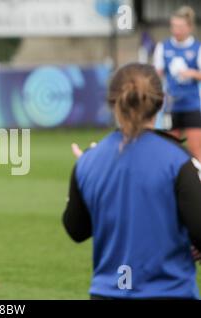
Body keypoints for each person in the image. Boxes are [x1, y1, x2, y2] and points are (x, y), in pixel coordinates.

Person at [63, 63, 201, 299]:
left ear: (112, 102)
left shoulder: (88, 162)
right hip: (169, 293)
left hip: (108, 293)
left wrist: (82, 176)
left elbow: (76, 229)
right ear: (161, 101)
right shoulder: (179, 161)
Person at [153, 6, 201, 161]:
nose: (176, 30)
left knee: (196, 151)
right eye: (174, 26)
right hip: (171, 107)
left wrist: (192, 73)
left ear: (189, 27)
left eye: (180, 26)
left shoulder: (197, 48)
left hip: (193, 106)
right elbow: (156, 75)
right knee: (169, 150)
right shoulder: (163, 47)